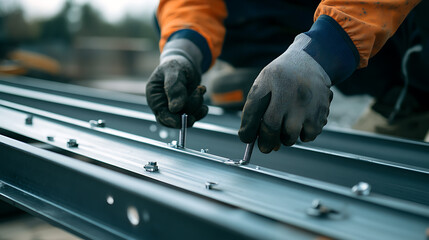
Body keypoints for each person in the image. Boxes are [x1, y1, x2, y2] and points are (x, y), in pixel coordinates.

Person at [146, 0, 427, 154]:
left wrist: (320, 52)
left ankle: (415, 91)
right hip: (391, 77)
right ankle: (403, 101)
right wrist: (182, 50)